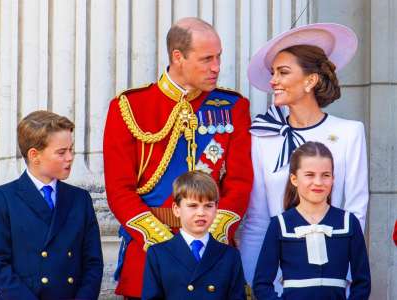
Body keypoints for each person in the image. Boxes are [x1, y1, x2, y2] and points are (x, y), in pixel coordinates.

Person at [103, 17, 253, 298]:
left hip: (212, 254)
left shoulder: (233, 107)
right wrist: (164, 245)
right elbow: (119, 190)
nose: (216, 67)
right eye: (207, 58)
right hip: (149, 255)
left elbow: (240, 183)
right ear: (178, 57)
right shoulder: (130, 107)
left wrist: (211, 233)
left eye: (219, 57)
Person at [238, 23, 369, 289]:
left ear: (311, 80)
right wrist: (253, 283)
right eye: (273, 72)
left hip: (330, 280)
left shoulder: (349, 133)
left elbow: (355, 214)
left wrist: (341, 282)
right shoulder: (262, 136)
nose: (273, 80)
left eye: (283, 72)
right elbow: (257, 219)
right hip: (277, 283)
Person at [0, 111, 104, 300]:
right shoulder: (3, 198)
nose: (70, 157)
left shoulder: (80, 199)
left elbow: (93, 264)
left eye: (71, 149)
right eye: (61, 152)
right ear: (34, 155)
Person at [253, 141, 371, 300]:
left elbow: (362, 282)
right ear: (294, 179)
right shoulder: (279, 224)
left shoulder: (348, 222)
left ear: (333, 178)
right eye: (310, 175)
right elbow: (261, 284)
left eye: (326, 175)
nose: (318, 182)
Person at [142, 171, 246, 300]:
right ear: (176, 209)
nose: (201, 213)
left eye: (208, 206)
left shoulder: (230, 255)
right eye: (193, 206)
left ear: (216, 209)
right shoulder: (158, 254)